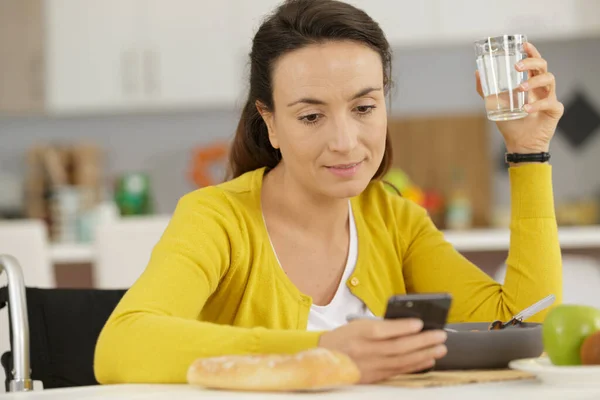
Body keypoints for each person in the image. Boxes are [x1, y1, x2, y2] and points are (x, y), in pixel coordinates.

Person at [94, 0, 563, 385]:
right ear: (271, 121)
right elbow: (122, 345)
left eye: (363, 106)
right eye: (311, 116)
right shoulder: (216, 218)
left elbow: (526, 322)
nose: (344, 140)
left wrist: (528, 154)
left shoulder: (393, 220)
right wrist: (320, 350)